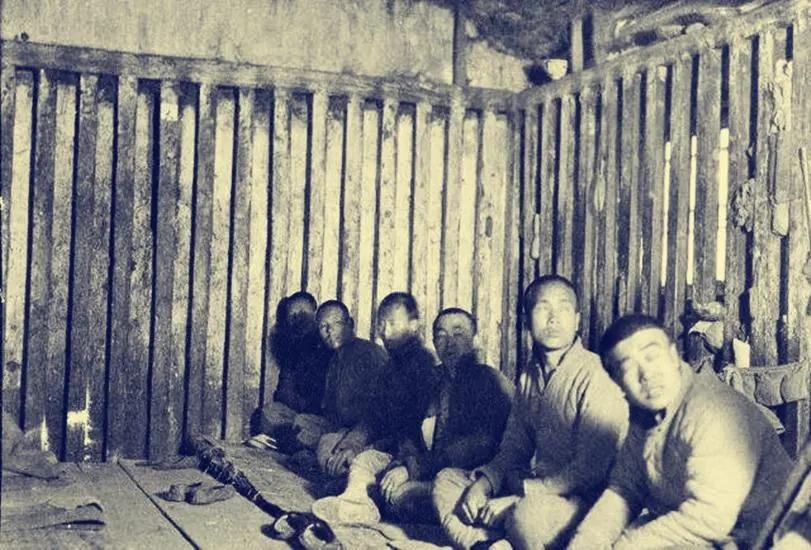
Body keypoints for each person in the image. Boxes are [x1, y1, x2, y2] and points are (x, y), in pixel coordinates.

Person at [433, 275, 628, 549]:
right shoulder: (529, 376)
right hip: (536, 488)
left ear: (577, 321)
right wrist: (484, 485)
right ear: (526, 321)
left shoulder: (596, 374)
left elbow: (591, 470)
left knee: (528, 518)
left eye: (563, 308)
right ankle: (484, 545)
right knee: (447, 483)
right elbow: (514, 447)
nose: (553, 319)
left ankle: (508, 534)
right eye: (543, 308)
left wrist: (523, 496)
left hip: (586, 500)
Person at [569, 314, 793, 549]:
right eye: (627, 367)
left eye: (652, 357)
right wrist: (583, 544)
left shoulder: (714, 410)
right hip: (709, 534)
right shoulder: (645, 414)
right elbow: (624, 490)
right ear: (617, 382)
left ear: (674, 355)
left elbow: (710, 519)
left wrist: (624, 546)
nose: (646, 374)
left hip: (764, 539)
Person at [311, 292, 445, 524]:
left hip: (417, 460)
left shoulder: (425, 365)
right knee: (348, 458)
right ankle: (358, 496)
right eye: (381, 324)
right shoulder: (391, 367)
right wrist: (351, 445)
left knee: (373, 473)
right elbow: (374, 417)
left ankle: (360, 499)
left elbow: (420, 433)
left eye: (392, 323)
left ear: (413, 325)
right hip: (392, 451)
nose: (385, 331)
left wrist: (401, 462)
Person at [315, 300, 389, 477]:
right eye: (323, 326)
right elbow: (330, 410)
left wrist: (352, 442)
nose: (329, 331)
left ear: (350, 324)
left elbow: (379, 413)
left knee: (326, 446)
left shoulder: (369, 354)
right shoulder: (336, 359)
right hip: (343, 429)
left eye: (336, 324)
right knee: (300, 423)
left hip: (369, 434)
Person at [258, 292, 332, 446]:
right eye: (293, 317)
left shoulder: (330, 349)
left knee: (302, 423)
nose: (299, 321)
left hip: (322, 423)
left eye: (304, 315)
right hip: (297, 419)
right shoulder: (291, 353)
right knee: (267, 413)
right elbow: (283, 399)